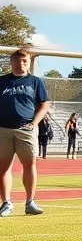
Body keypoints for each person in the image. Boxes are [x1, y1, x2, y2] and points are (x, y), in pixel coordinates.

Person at [0, 48, 47, 216]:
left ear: (28, 63)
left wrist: (35, 123)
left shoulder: (35, 82)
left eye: (25, 61)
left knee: (29, 164)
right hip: (3, 130)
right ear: (11, 63)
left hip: (25, 129)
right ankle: (6, 203)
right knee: (3, 167)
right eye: (18, 61)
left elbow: (44, 104)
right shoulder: (2, 81)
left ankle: (30, 202)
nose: (21, 64)